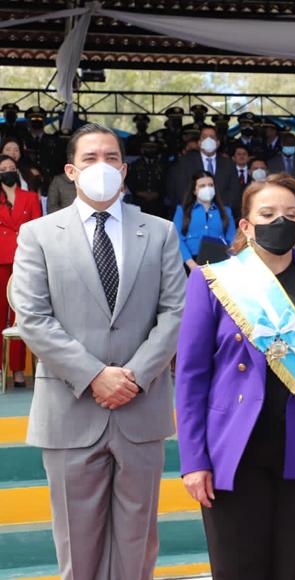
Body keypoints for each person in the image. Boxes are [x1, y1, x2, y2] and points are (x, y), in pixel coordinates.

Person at [11, 122, 186, 579]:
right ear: (71, 170)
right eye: (90, 159)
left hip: (140, 407)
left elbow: (175, 312)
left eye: (111, 158)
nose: (102, 167)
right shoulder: (38, 235)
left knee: (138, 546)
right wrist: (93, 375)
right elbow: (31, 316)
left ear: (124, 170)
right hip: (70, 411)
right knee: (77, 546)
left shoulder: (161, 232)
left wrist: (134, 376)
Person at [175, 172, 295, 579]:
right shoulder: (212, 281)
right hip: (235, 448)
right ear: (245, 225)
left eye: (290, 213)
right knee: (237, 570)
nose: (280, 221)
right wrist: (194, 461)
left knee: (292, 570)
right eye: (267, 213)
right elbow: (191, 377)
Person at [0, 154, 41, 387]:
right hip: (1, 260)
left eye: (11, 167)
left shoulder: (30, 197)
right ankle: (1, 369)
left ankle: (17, 369)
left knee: (21, 316)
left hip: (24, 260)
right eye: (3, 168)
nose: (8, 171)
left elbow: (37, 227)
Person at [169, 126, 240, 217]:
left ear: (218, 143)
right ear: (199, 143)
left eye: (212, 137)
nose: (208, 140)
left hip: (222, 214)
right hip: (192, 214)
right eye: (204, 137)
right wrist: (197, 207)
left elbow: (234, 192)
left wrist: (219, 208)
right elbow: (181, 189)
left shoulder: (228, 164)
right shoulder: (185, 162)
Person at [172, 172, 235, 270]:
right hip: (190, 262)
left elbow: (231, 238)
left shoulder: (226, 211)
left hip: (220, 262)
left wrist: (228, 260)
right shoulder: (182, 210)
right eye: (202, 186)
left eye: (211, 185)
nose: (207, 188)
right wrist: (191, 263)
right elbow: (178, 238)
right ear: (194, 190)